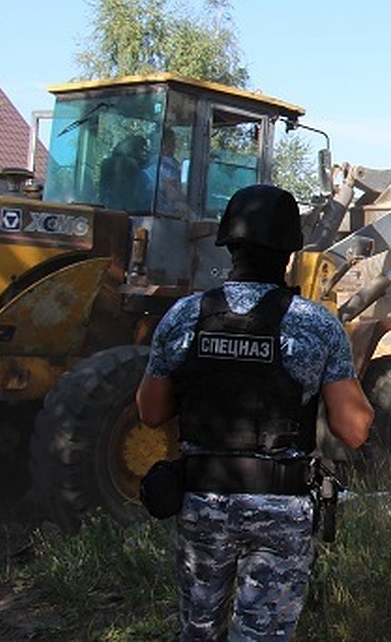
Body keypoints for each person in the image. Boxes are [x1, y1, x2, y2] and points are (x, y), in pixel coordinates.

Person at [136, 183, 374, 641]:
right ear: (290, 250)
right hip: (279, 510)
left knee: (198, 632)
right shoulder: (315, 324)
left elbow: (149, 412)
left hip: (202, 501)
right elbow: (356, 430)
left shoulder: (183, 316)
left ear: (228, 244)